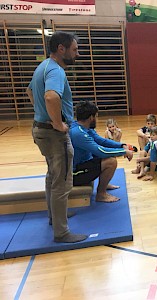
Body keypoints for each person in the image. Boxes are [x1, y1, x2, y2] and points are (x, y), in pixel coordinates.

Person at [27, 31, 87, 243]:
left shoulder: (42, 67)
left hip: (41, 130)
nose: (77, 54)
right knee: (62, 182)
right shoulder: (56, 70)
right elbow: (51, 96)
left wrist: (42, 115)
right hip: (53, 134)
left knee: (53, 175)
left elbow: (30, 92)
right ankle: (62, 232)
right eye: (74, 49)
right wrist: (57, 123)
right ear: (61, 49)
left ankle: (55, 216)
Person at [70, 101, 134, 202]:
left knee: (106, 156)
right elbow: (101, 151)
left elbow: (101, 141)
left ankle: (105, 182)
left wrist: (121, 145)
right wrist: (123, 152)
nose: (96, 119)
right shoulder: (78, 133)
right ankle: (101, 194)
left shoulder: (83, 127)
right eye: (95, 116)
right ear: (91, 117)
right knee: (111, 161)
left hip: (83, 163)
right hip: (74, 174)